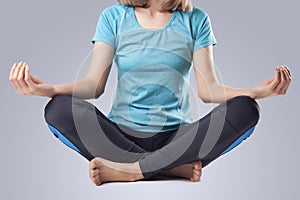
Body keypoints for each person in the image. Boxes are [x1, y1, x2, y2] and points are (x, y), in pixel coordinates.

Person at [9, 0, 292, 187]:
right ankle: (170, 169)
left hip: (180, 139)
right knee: (58, 108)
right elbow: (93, 84)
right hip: (119, 137)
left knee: (246, 109)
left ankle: (131, 170)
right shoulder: (113, 17)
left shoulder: (196, 19)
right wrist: (45, 89)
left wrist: (258, 91)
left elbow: (209, 90)